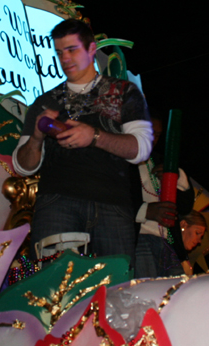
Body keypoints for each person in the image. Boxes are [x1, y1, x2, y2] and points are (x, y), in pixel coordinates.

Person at [12, 19, 153, 261]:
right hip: (57, 203)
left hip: (113, 205)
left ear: (91, 49)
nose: (64, 58)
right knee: (56, 291)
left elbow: (142, 149)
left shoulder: (125, 92)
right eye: (59, 52)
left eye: (72, 49)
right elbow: (21, 166)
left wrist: (94, 137)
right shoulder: (44, 102)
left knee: (112, 290)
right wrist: (36, 137)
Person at [134, 115, 196, 278]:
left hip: (168, 242)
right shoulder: (120, 161)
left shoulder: (161, 161)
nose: (153, 139)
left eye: (158, 134)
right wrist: (146, 211)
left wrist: (179, 176)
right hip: (139, 238)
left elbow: (184, 207)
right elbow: (111, 201)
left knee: (176, 293)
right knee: (146, 291)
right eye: (150, 132)